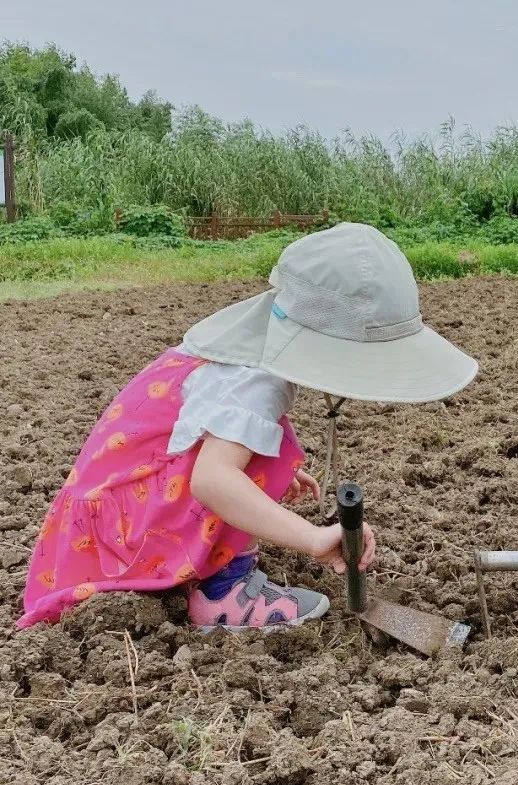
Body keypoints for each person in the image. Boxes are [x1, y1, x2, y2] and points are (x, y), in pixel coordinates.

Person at [19, 223, 478, 630]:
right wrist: (314, 539)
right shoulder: (255, 379)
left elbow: (198, 434)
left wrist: (273, 471)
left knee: (256, 455)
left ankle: (211, 569)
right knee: (232, 477)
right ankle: (223, 593)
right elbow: (213, 479)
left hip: (112, 510)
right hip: (121, 533)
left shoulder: (247, 353)